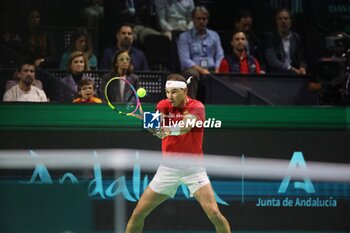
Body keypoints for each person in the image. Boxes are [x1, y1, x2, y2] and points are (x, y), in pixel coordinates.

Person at [125, 73, 231, 233]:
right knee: (138, 214)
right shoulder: (164, 104)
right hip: (168, 169)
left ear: (185, 91)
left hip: (194, 169)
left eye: (174, 92)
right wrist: (155, 127)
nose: (170, 96)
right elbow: (157, 118)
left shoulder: (197, 107)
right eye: (168, 92)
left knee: (215, 214)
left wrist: (168, 129)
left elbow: (186, 125)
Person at [177, 6, 224, 99]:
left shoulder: (214, 36)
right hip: (193, 69)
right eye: (199, 18)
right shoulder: (184, 37)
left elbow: (220, 55)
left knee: (222, 73)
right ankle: (191, 106)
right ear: (193, 20)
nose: (202, 21)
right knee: (192, 74)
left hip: (212, 69)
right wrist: (202, 70)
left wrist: (218, 69)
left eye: (204, 19)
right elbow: (185, 60)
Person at [264, 8, 307, 74]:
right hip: (277, 76)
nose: (283, 21)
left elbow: (302, 58)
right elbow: (271, 61)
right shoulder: (270, 37)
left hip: (295, 75)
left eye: (286, 18)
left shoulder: (296, 37)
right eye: (280, 19)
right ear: (276, 21)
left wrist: (302, 67)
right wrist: (290, 69)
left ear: (290, 21)